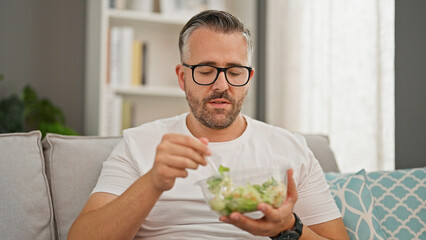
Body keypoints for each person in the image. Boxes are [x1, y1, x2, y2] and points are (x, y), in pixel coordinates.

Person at [68, 10, 349, 240]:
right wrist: (153, 182)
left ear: (248, 78)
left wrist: (288, 227)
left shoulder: (292, 149)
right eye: (206, 71)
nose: (221, 85)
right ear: (182, 77)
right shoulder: (139, 143)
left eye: (235, 71)